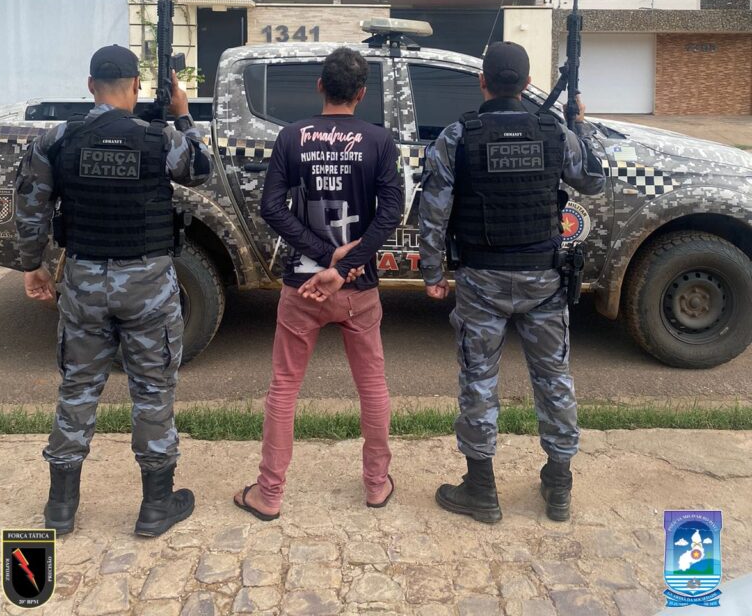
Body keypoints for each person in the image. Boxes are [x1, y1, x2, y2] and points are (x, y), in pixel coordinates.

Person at [16, 45, 212, 537]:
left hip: (84, 283)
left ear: (90, 86)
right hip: (148, 286)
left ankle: (60, 509)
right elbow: (201, 169)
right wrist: (182, 114)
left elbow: (32, 207)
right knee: (153, 392)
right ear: (137, 87)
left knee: (77, 389)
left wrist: (33, 266)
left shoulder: (58, 139)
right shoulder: (160, 137)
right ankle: (155, 507)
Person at [418, 41, 605, 524]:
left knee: (478, 380)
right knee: (555, 379)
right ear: (527, 84)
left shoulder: (459, 135)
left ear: (482, 81)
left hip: (481, 280)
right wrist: (580, 124)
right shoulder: (555, 132)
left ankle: (482, 490)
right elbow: (594, 180)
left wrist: (434, 274)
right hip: (544, 278)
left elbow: (433, 212)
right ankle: (559, 486)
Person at [234, 47, 403, 520]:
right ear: (362, 94)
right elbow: (392, 211)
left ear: (320, 86)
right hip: (357, 287)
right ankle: (376, 485)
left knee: (284, 387)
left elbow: (271, 207)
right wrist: (343, 263)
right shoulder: (378, 141)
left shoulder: (292, 137)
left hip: (303, 286)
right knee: (372, 385)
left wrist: (320, 255)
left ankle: (269, 493)